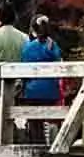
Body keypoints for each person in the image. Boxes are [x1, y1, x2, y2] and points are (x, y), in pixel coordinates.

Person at [17, 16, 64, 144]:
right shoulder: (53, 46)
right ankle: (51, 149)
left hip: (32, 92)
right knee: (50, 121)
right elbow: (59, 65)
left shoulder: (28, 48)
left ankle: (38, 151)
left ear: (33, 30)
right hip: (51, 92)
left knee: (35, 124)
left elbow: (23, 71)